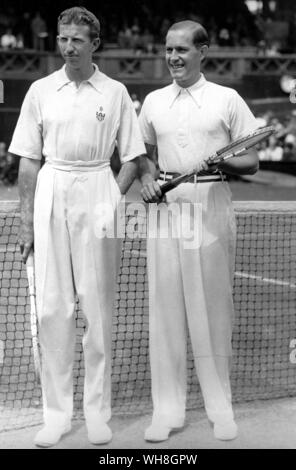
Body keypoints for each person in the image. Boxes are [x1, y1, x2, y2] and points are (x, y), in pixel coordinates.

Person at [9, 6, 145, 447]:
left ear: (95, 44)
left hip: (97, 190)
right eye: (63, 39)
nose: (68, 47)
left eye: (77, 40)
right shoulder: (40, 90)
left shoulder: (117, 91)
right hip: (52, 188)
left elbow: (132, 158)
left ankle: (98, 413)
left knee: (99, 312)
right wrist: (26, 222)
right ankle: (56, 415)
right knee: (53, 310)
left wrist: (111, 197)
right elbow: (28, 162)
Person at [139, 20, 259, 442]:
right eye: (168, 49)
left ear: (202, 51)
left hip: (211, 206)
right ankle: (166, 411)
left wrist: (219, 161)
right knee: (166, 311)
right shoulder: (152, 101)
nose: (173, 57)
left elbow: (252, 161)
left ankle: (220, 409)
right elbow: (146, 157)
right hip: (166, 212)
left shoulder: (227, 99)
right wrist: (149, 179)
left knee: (212, 312)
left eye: (182, 50)